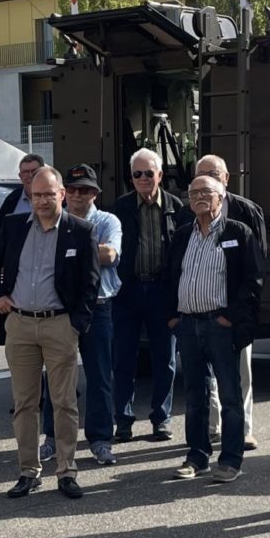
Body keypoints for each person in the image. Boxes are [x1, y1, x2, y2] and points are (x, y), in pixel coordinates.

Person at [0, 165, 98, 498]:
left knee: (64, 402)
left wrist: (76, 323)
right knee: (25, 404)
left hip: (59, 324)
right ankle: (28, 471)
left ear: (62, 194)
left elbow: (90, 283)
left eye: (49, 194)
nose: (42, 201)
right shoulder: (13, 226)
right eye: (36, 195)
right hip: (20, 323)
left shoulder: (80, 231)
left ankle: (66, 471)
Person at [163, 175, 261, 483]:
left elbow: (252, 281)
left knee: (230, 395)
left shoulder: (238, 232)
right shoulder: (182, 235)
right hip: (188, 324)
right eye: (193, 193)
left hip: (220, 325)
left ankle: (230, 460)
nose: (199, 197)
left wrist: (229, 317)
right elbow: (169, 277)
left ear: (221, 196)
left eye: (206, 191)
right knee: (194, 395)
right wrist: (173, 318)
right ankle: (197, 456)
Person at [37, 165, 121, 467]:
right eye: (71, 189)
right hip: (61, 308)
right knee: (57, 377)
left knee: (99, 376)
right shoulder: (55, 220)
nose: (76, 195)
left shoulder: (107, 220)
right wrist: (87, 250)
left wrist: (75, 249)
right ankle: (52, 439)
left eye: (84, 189)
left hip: (99, 307)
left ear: (95, 193)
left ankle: (100, 440)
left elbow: (111, 255)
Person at [111, 147, 188, 444]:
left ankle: (161, 419)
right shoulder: (120, 207)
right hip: (128, 292)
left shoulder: (176, 207)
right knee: (124, 359)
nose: (143, 178)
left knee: (165, 360)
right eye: (137, 174)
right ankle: (124, 421)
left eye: (148, 173)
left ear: (160, 174)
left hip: (161, 292)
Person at [194, 155, 266, 449]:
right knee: (206, 377)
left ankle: (245, 429)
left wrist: (242, 311)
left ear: (226, 179)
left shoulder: (247, 211)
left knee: (240, 373)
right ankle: (213, 427)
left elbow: (256, 266)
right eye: (200, 176)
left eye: (213, 174)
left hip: (233, 310)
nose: (205, 182)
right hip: (201, 311)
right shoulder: (191, 210)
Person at [0, 153, 46, 220]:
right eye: (26, 172)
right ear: (20, 176)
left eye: (34, 171)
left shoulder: (55, 197)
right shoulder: (12, 199)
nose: (30, 176)